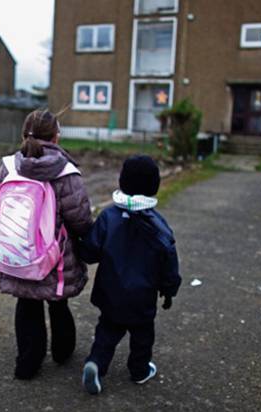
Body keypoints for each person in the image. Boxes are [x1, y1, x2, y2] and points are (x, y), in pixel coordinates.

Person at [0, 110, 92, 380]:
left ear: (24, 134)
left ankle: (27, 364)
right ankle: (62, 352)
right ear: (56, 136)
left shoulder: (8, 167)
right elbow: (80, 219)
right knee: (58, 304)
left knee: (27, 306)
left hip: (18, 253)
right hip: (55, 258)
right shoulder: (65, 172)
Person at [78, 155, 182, 395]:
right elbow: (169, 262)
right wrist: (169, 291)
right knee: (142, 337)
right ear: (153, 186)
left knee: (107, 330)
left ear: (122, 181)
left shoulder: (108, 217)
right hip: (142, 296)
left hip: (110, 292)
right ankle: (139, 370)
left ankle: (95, 363)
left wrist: (80, 245)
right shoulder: (158, 225)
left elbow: (91, 252)